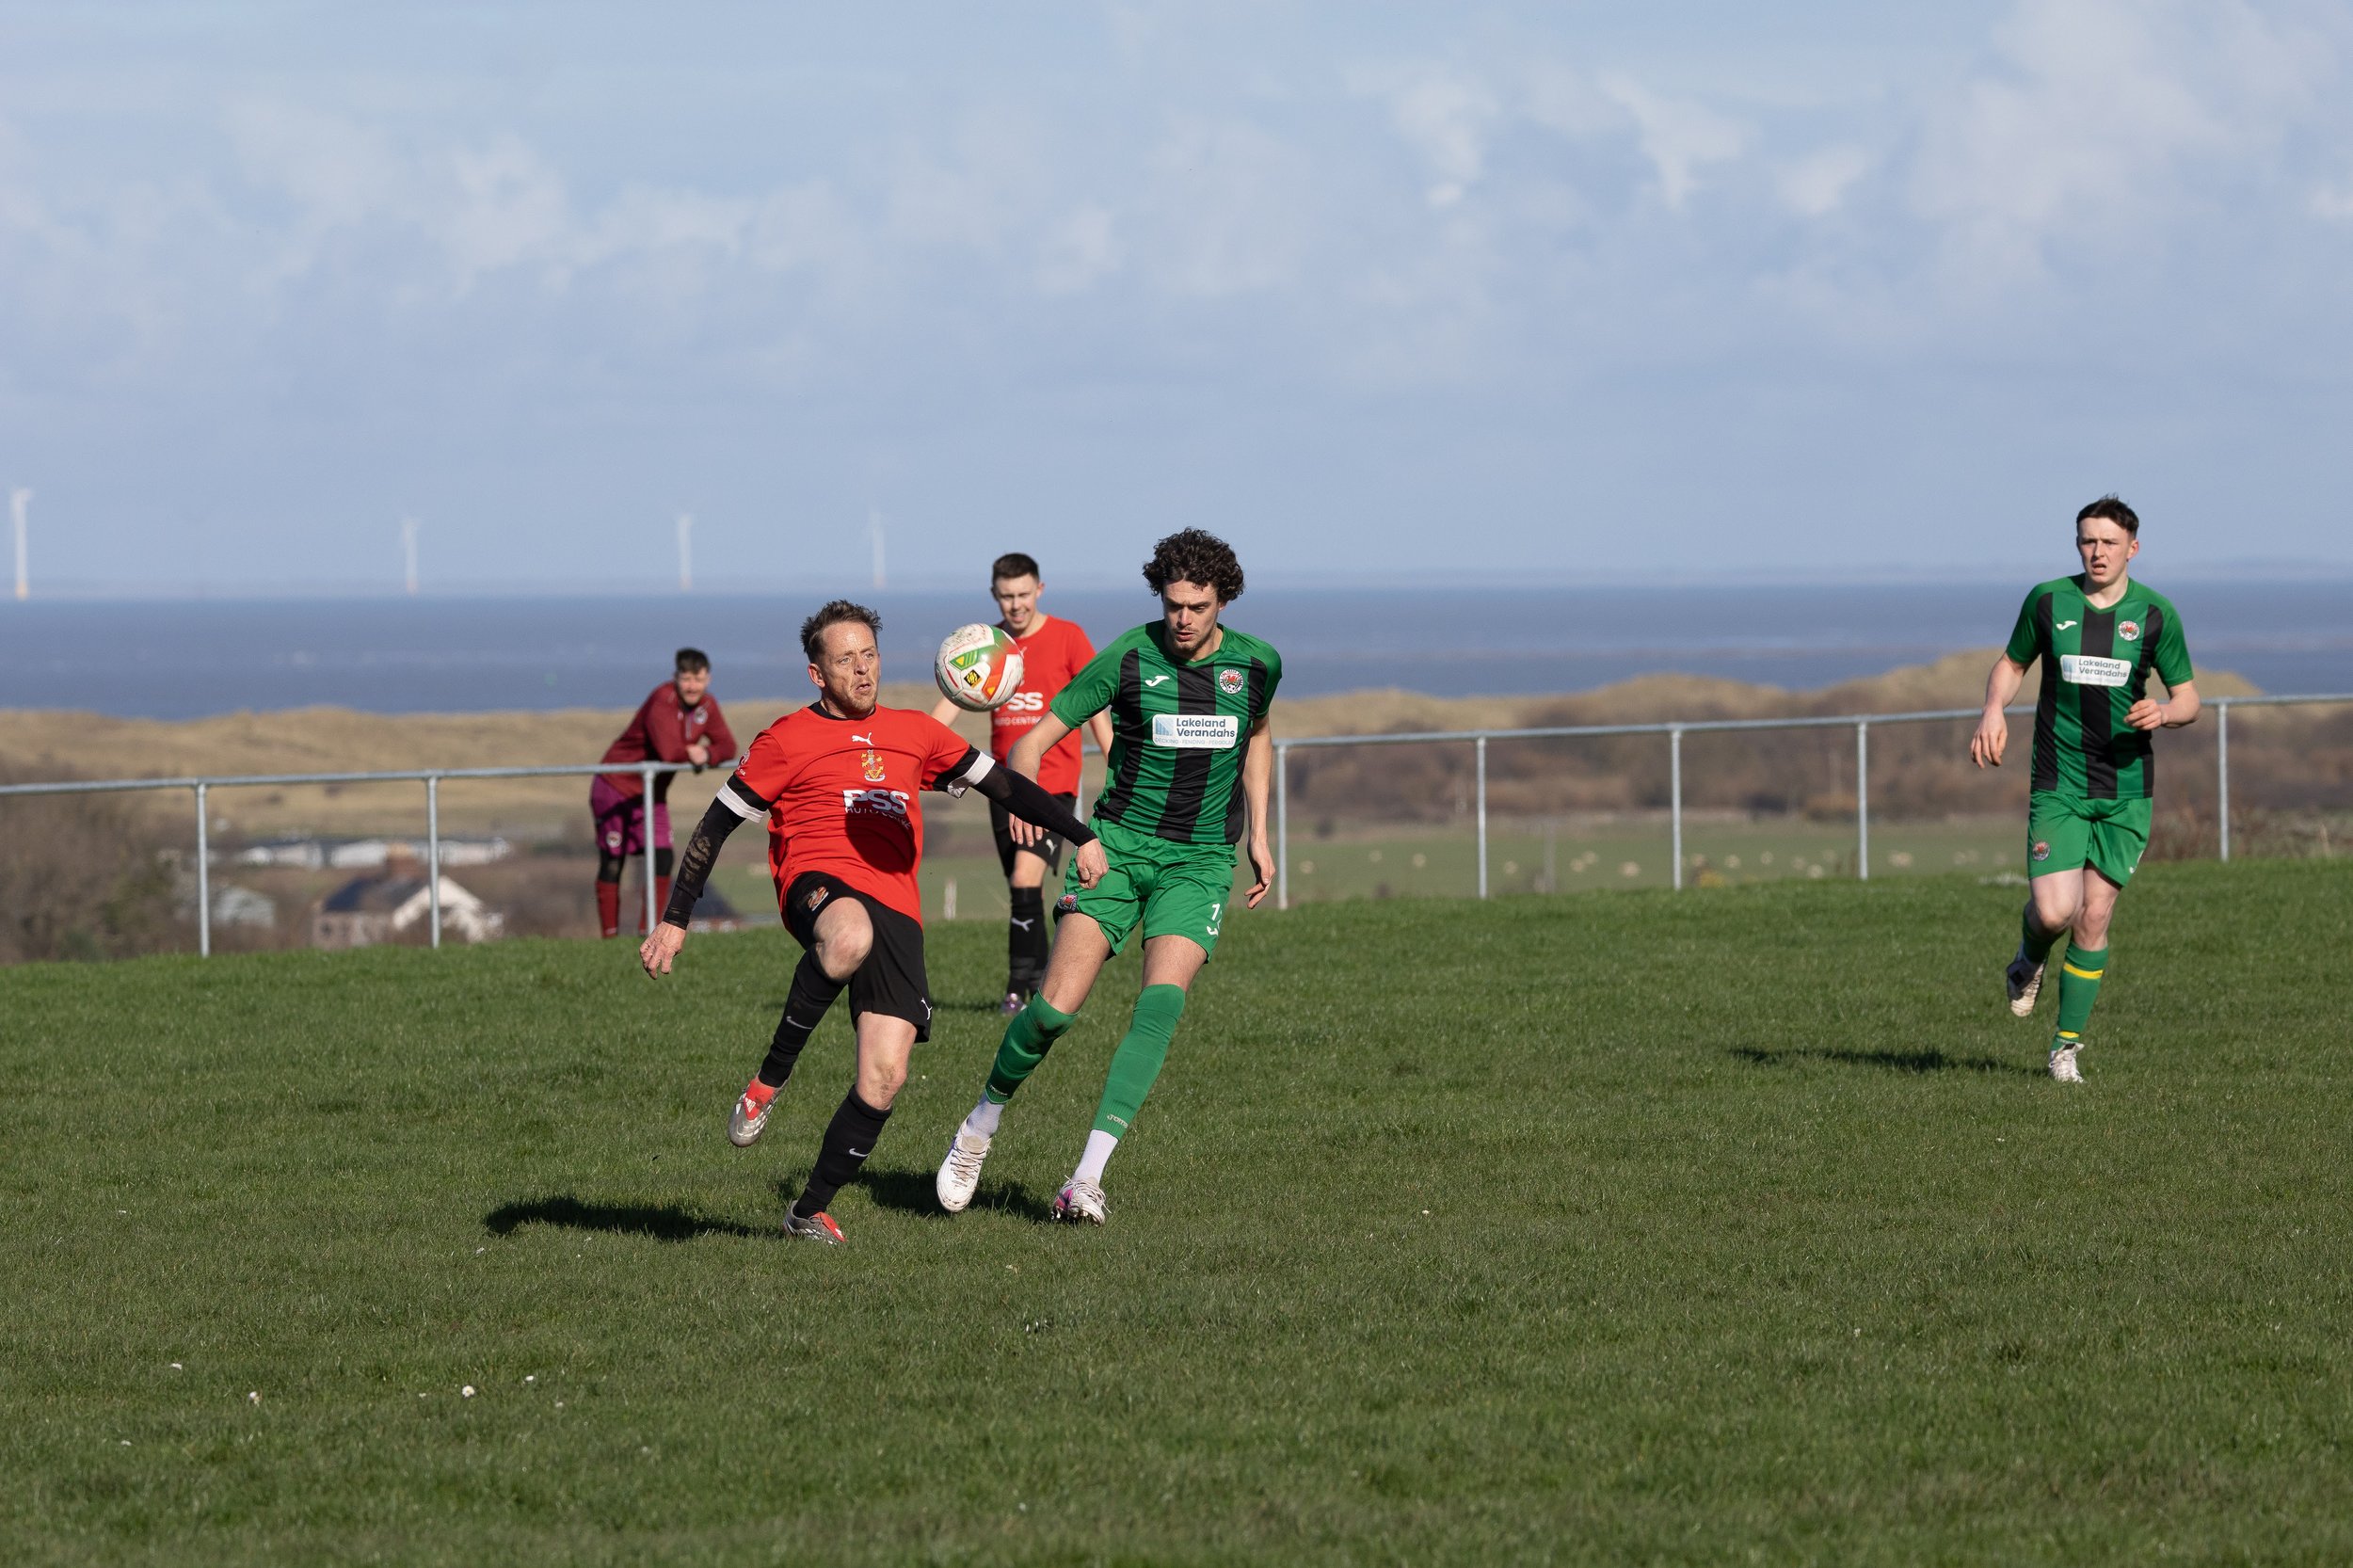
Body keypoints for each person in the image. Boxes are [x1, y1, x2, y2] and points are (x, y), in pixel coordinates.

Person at [639, 601, 1105, 1244]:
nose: (862, 670)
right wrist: (675, 917)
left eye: (870, 656)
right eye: (845, 660)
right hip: (818, 883)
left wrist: (1079, 835)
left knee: (885, 1078)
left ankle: (806, 1212)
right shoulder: (786, 739)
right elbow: (713, 826)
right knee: (849, 934)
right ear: (817, 674)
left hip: (899, 910)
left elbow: (1007, 787)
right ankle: (767, 1083)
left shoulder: (918, 732)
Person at [935, 529, 1279, 1224]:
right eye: (1173, 603)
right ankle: (978, 1126)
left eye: (1199, 606)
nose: (1183, 619)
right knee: (1055, 1010)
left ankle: (1085, 1180)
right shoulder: (1126, 655)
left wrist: (1262, 838)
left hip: (1202, 859)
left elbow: (1259, 738)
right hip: (1115, 849)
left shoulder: (1258, 664)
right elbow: (1031, 744)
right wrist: (1054, 823)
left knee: (1161, 1006)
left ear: (1223, 601)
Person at [1971, 496, 2199, 1082]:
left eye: (2108, 542)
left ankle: (2064, 1050)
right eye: (2086, 541)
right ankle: (2028, 959)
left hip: (2126, 789)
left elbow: (2190, 697)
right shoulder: (2049, 600)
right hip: (2060, 780)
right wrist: (1994, 709)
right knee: (2054, 912)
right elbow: (2012, 663)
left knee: (2093, 918)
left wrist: (2166, 713)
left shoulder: (2156, 614)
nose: (2096, 552)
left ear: (2133, 548)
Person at [928, 552, 1115, 1014]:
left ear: (1040, 590)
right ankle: (1042, 986)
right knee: (1021, 891)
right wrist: (918, 748)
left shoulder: (1069, 637)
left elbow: (1097, 708)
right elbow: (947, 709)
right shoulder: (986, 646)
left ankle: (1016, 991)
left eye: (1024, 595)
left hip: (1052, 786)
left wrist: (1116, 766)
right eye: (1007, 596)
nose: (1016, 605)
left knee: (1024, 876)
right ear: (995, 595)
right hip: (1003, 789)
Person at [592, 648, 735, 938]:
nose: (692, 686)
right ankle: (609, 937)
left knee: (663, 857)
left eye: (698, 679)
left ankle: (649, 931)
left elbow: (728, 746)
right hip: (615, 786)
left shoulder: (708, 705)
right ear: (676, 678)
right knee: (613, 859)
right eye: (686, 679)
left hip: (651, 794)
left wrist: (706, 752)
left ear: (708, 679)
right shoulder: (662, 699)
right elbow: (668, 751)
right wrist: (694, 754)